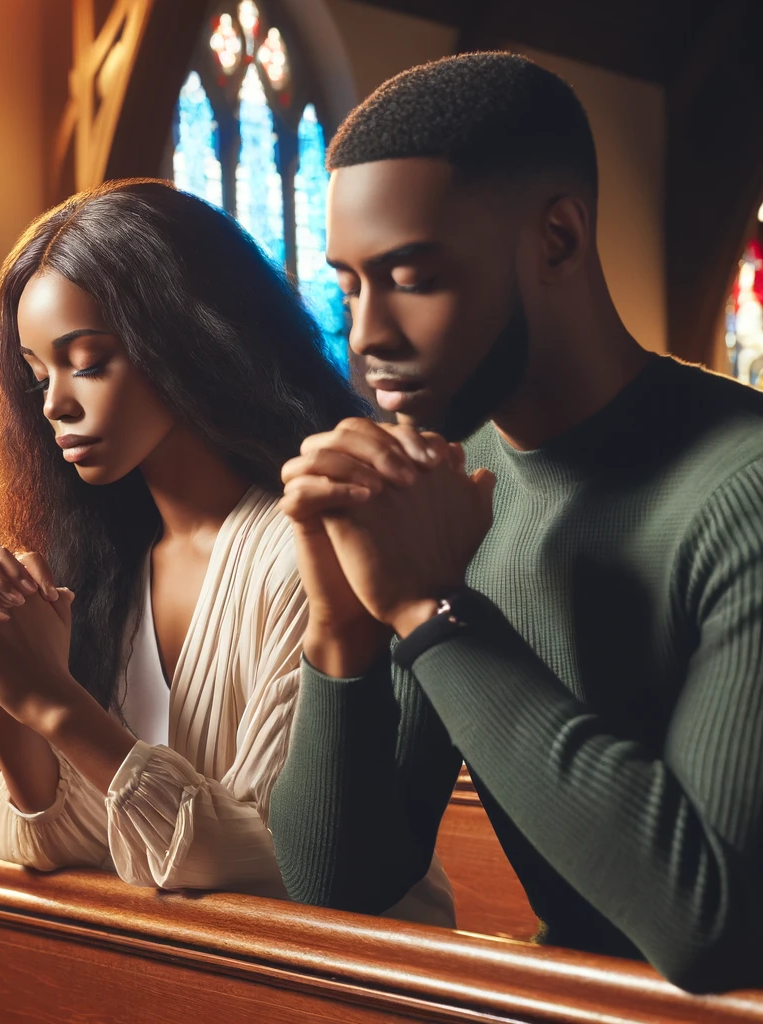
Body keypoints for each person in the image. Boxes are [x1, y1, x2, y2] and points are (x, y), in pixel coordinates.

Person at [268, 53, 763, 994]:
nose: (368, 334)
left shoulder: (744, 489)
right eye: (349, 285)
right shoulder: (450, 491)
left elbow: (714, 930)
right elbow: (341, 888)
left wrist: (431, 611)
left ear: (558, 239)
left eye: (411, 276)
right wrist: (343, 630)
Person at [0, 179, 455, 920]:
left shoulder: (315, 548)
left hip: (361, 980)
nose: (53, 404)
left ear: (186, 337)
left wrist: (55, 701)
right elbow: (58, 853)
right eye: (38, 374)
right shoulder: (107, 567)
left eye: (89, 361)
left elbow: (283, 866)